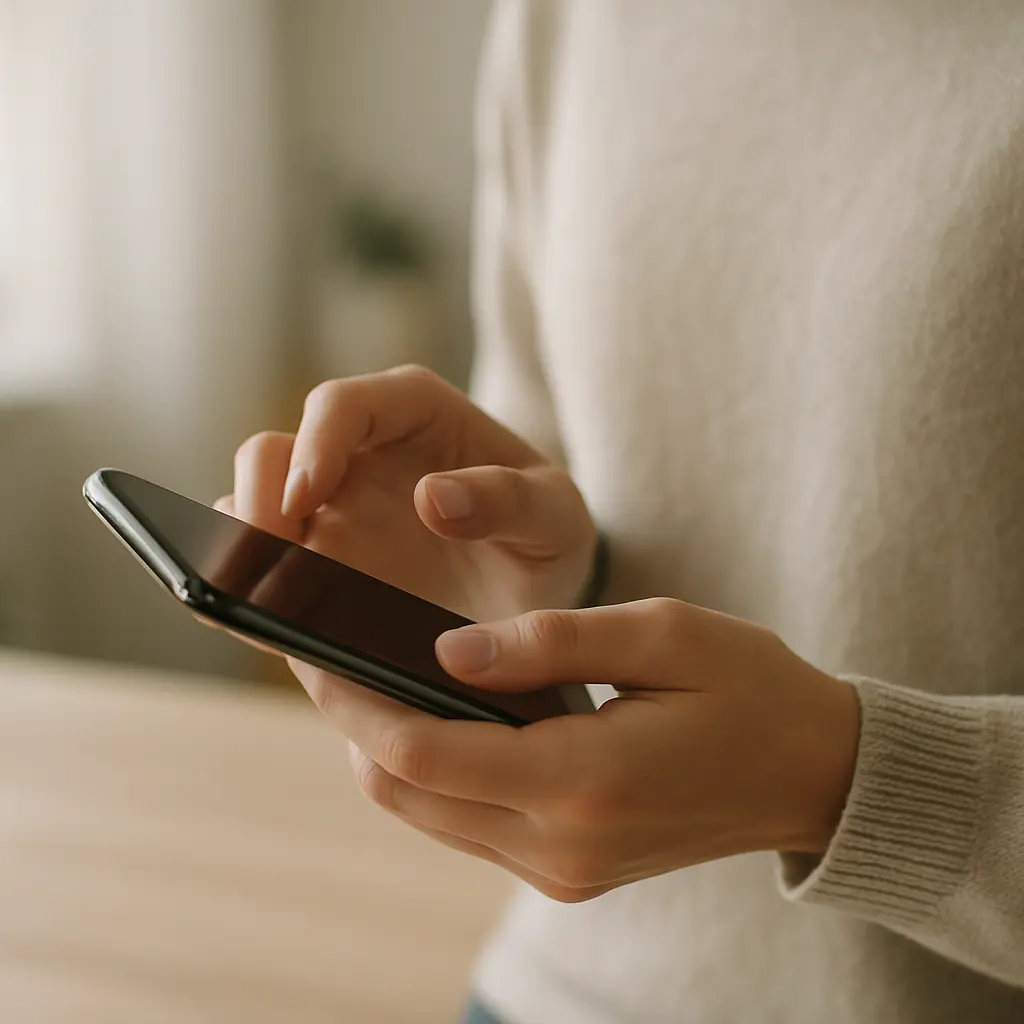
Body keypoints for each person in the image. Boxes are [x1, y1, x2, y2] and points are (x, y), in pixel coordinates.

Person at [221, 2, 1024, 1021]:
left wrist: (851, 781)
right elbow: (564, 444)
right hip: (553, 992)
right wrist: (516, 569)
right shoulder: (568, 18)